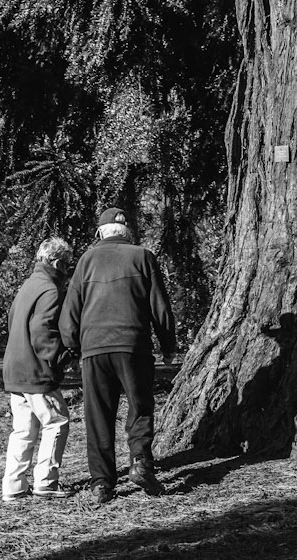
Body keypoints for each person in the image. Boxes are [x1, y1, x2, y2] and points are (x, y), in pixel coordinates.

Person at [59, 206, 176, 501]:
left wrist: (72, 347)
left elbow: (69, 312)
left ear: (101, 232)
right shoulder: (143, 256)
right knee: (140, 407)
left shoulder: (86, 261)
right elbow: (159, 307)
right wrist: (168, 345)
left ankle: (101, 483)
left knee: (98, 415)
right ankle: (140, 462)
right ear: (127, 231)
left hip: (94, 349)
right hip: (133, 345)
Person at [0, 235, 73, 502]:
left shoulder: (28, 285)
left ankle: (14, 486)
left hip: (15, 368)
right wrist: (61, 358)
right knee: (57, 421)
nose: (67, 271)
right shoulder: (50, 290)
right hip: (36, 369)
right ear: (55, 262)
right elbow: (42, 331)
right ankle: (46, 482)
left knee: (23, 430)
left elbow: (12, 323)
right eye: (66, 265)